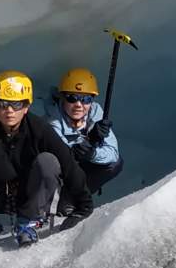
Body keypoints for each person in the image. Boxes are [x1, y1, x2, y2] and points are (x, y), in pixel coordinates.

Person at [0, 70, 93, 252]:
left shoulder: (39, 128)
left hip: (30, 195)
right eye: (2, 104)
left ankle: (29, 221)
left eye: (16, 104)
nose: (9, 111)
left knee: (48, 161)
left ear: (27, 106)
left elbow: (67, 163)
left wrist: (84, 206)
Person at [44, 68, 123, 214]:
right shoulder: (53, 121)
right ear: (62, 98)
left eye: (86, 99)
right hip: (62, 175)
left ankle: (72, 199)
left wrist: (92, 153)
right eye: (72, 98)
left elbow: (113, 154)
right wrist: (86, 141)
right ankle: (62, 200)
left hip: (82, 169)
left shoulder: (96, 113)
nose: (79, 105)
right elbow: (62, 157)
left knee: (115, 164)